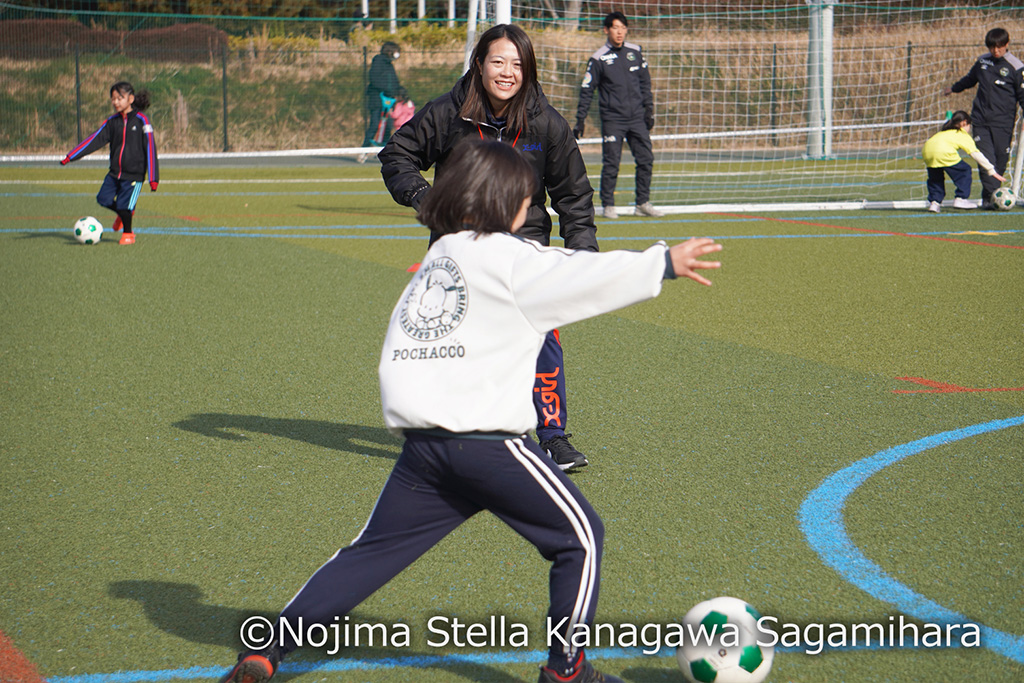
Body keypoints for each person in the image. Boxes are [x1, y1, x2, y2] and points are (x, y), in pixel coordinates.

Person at [219, 138, 723, 683]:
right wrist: (662, 264)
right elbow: (579, 275)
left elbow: (401, 348)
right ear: (505, 202)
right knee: (580, 538)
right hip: (486, 446)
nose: (532, 210)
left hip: (423, 449)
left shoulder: (438, 260)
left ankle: (268, 650)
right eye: (529, 200)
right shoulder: (511, 258)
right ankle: (567, 670)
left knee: (370, 554)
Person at [379, 24, 596, 472]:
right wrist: (424, 197)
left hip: (524, 252)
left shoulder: (547, 123)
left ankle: (553, 437)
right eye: (498, 61)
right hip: (459, 255)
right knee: (454, 345)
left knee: (541, 340)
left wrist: (582, 258)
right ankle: (444, 435)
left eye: (518, 64)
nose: (507, 72)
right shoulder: (447, 113)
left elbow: (573, 195)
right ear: (479, 64)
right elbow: (397, 154)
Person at [574, 12, 662, 219]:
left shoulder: (636, 52)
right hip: (613, 119)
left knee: (646, 159)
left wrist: (649, 110)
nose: (620, 32)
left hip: (637, 118)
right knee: (612, 162)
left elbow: (645, 84)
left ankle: (642, 202)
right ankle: (609, 205)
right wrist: (580, 120)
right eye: (615, 27)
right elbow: (587, 90)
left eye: (623, 27)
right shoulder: (598, 58)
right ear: (606, 30)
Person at [60, 81, 158, 245]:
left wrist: (153, 179)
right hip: (114, 173)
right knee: (103, 199)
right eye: (113, 99)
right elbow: (94, 140)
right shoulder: (112, 122)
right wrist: (71, 156)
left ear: (131, 99)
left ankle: (128, 233)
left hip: (134, 174)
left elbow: (150, 149)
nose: (116, 102)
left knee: (124, 205)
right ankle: (123, 213)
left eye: (120, 98)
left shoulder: (142, 121)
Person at [942, 27, 1024, 209]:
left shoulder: (1016, 67)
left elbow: (1022, 95)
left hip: (1003, 122)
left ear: (1007, 44)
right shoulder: (982, 62)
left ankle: (992, 197)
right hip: (980, 120)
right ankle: (989, 200)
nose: (995, 51)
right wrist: (954, 88)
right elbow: (970, 80)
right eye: (992, 47)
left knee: (1000, 162)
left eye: (999, 47)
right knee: (986, 159)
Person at [922, 110, 1005, 213]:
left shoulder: (943, 132)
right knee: (964, 171)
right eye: (969, 125)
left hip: (927, 152)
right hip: (943, 153)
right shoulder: (961, 134)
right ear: (964, 123)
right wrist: (991, 170)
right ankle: (960, 199)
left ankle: (934, 203)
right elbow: (976, 154)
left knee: (935, 179)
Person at [362, 41, 403, 150]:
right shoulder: (378, 61)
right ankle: (364, 150)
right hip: (377, 100)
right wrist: (387, 89)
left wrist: (397, 93)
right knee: (375, 125)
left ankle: (384, 150)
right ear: (389, 51)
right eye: (396, 51)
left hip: (389, 101)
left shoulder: (390, 65)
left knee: (388, 126)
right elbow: (375, 80)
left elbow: (395, 82)